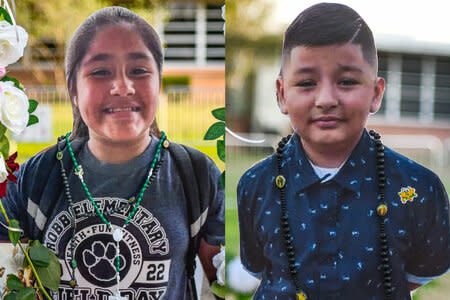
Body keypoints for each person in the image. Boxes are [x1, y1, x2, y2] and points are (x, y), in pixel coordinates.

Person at [0, 6, 224, 300]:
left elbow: (224, 284)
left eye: (139, 71)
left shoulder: (196, 175)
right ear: (73, 90)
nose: (122, 86)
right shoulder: (32, 178)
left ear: (159, 81)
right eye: (101, 72)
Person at [237, 3, 449, 299]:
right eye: (307, 83)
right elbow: (261, 268)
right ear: (282, 94)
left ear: (375, 94)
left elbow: (420, 273)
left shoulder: (419, 188)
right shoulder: (255, 185)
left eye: (347, 82)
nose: (326, 99)